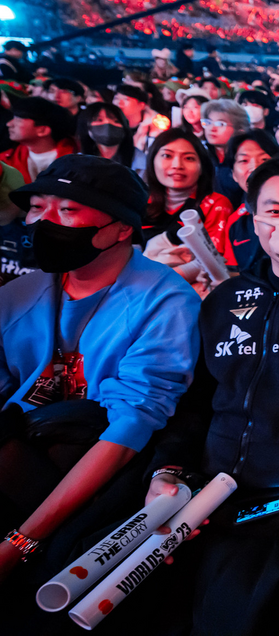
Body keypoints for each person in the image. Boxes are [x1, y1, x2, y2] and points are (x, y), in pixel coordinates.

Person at [141, 154, 279, 633]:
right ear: (255, 219)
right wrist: (167, 470)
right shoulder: (225, 299)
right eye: (276, 210)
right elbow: (197, 403)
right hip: (208, 500)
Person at [0, 155, 200, 586]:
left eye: (68, 210)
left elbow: (130, 425)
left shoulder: (164, 300)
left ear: (122, 229)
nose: (45, 222)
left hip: (105, 464)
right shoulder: (18, 294)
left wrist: (20, 543)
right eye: (39, 208)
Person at [140, 129, 232, 251]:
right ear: (152, 161)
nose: (177, 165)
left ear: (202, 167)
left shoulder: (215, 204)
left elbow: (212, 261)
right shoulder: (139, 201)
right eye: (167, 156)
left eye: (189, 158)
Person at [218, 130, 279, 270]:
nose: (254, 168)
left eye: (264, 159)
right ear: (233, 174)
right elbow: (233, 273)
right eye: (244, 161)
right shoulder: (234, 221)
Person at [2, 96, 77, 183]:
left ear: (43, 130)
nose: (9, 124)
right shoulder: (7, 160)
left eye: (18, 120)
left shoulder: (76, 162)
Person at [200, 99, 250, 205]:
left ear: (240, 129)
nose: (211, 128)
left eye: (220, 124)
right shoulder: (201, 155)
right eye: (208, 122)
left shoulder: (246, 159)